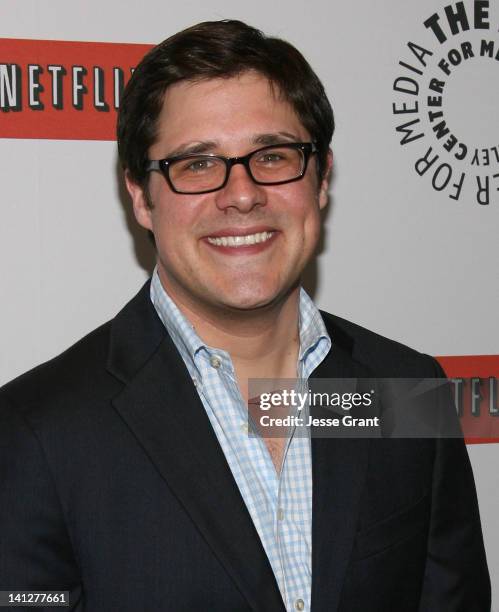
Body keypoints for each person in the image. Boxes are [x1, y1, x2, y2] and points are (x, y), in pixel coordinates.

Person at [0, 19, 490, 612]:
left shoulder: (403, 389)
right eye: (198, 164)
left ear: (322, 177)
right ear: (140, 196)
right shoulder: (36, 432)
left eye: (273, 155)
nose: (241, 194)